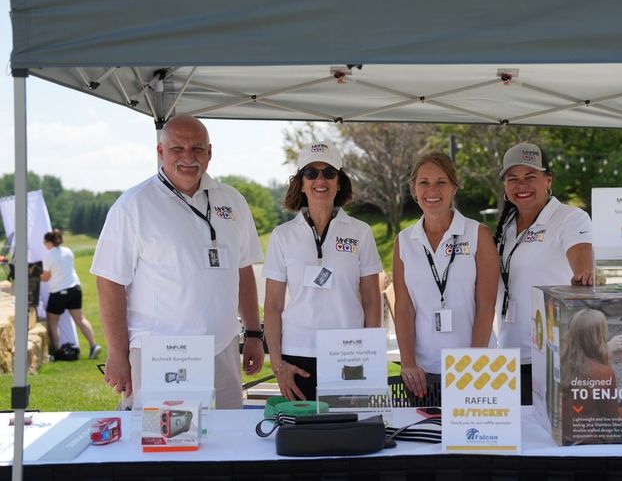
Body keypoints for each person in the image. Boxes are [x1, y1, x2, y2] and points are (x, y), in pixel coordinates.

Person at [91, 115, 264, 409]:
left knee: (227, 440)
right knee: (163, 445)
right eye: (177, 149)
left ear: (209, 152)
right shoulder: (134, 205)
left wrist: (254, 333)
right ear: (160, 152)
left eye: (197, 149)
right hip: (161, 352)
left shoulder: (232, 201)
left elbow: (243, 269)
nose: (188, 157)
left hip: (222, 347)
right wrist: (118, 355)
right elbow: (109, 281)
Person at [262, 141, 382, 401]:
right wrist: (277, 364)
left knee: (348, 435)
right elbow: (272, 305)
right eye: (311, 173)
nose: (320, 179)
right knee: (303, 436)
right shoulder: (282, 236)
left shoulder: (360, 232)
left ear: (339, 182)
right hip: (297, 354)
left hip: (348, 352)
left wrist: (370, 355)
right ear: (301, 183)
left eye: (329, 172)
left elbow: (373, 300)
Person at [493, 142, 597, 405]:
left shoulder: (571, 219)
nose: (521, 185)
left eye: (531, 177)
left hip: (552, 357)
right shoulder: (505, 225)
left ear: (548, 180)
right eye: (513, 178)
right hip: (507, 356)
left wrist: (584, 274)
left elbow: (582, 259)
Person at [393, 152, 499, 399]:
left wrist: (474, 363)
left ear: (454, 187)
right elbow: (404, 307)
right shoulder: (404, 240)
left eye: (441, 182)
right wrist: (408, 363)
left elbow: (486, 306)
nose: (433, 190)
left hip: (475, 368)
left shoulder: (477, 234)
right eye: (424, 182)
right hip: (423, 372)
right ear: (413, 189)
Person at [561, 309, 622, 444]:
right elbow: (613, 421)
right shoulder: (602, 372)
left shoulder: (563, 361)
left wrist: (607, 350)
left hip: (566, 437)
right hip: (589, 443)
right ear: (598, 336)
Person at [41, 229, 101, 359]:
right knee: (80, 319)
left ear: (49, 242)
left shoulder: (49, 255)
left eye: (44, 242)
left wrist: (34, 276)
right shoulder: (68, 251)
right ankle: (93, 345)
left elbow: (46, 277)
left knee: (52, 322)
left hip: (58, 292)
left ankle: (57, 352)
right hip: (75, 289)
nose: (44, 245)